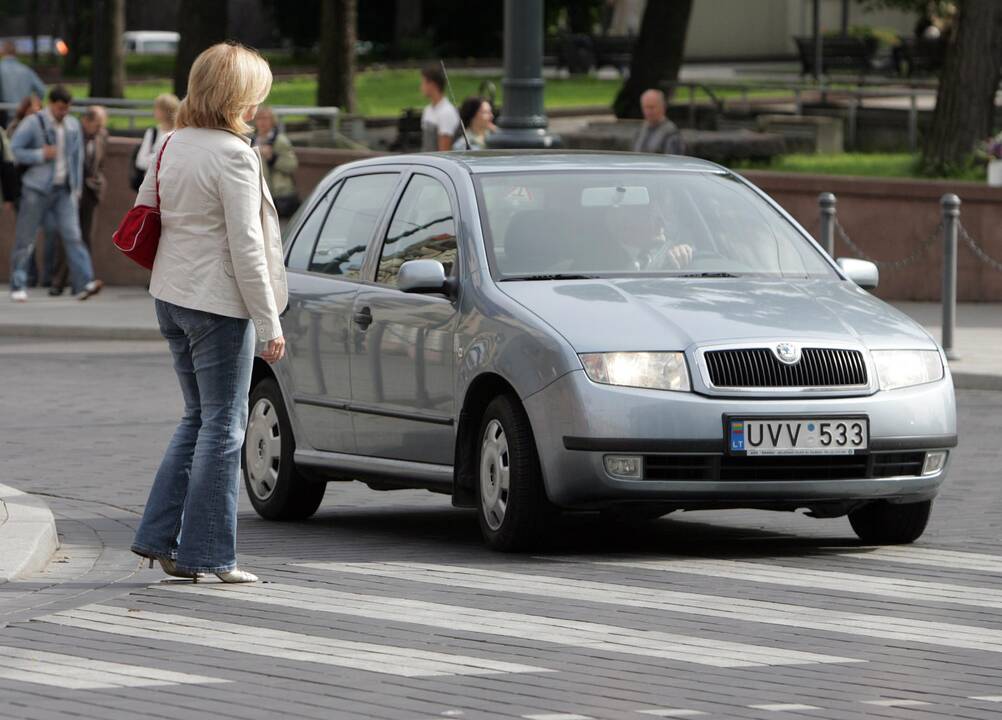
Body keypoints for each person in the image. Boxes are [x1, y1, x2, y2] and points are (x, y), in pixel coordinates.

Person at [130, 42, 287, 584]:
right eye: (254, 93)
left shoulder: (172, 140)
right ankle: (209, 555)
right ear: (237, 95)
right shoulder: (234, 155)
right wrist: (269, 322)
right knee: (225, 425)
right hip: (217, 304)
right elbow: (246, 246)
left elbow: (144, 210)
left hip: (170, 294)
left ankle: (159, 539)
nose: (258, 103)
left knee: (198, 418)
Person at [9, 85, 102, 303]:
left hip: (64, 189)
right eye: (60, 108)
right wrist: (40, 154)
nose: (64, 113)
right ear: (51, 104)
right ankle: (18, 283)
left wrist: (76, 188)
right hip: (36, 188)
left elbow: (76, 159)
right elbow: (14, 150)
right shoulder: (33, 123)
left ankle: (84, 282)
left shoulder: (71, 125)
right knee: (26, 237)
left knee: (73, 236)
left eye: (67, 109)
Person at [49, 106, 107, 295]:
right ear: (85, 121)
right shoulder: (72, 134)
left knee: (86, 237)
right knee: (65, 237)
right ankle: (58, 281)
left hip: (90, 193)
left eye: (101, 126)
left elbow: (100, 164)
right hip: (71, 191)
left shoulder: (101, 136)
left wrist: (98, 182)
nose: (99, 129)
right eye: (96, 125)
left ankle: (80, 282)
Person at [251, 106, 299, 218]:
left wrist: (272, 158)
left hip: (279, 194)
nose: (262, 122)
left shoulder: (280, 141)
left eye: (266, 118)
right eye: (259, 118)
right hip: (259, 193)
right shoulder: (252, 141)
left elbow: (292, 165)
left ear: (272, 120)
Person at [131, 93, 179, 190]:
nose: (154, 111)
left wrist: (155, 158)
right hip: (152, 186)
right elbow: (140, 161)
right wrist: (161, 158)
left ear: (166, 111)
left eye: (157, 108)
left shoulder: (179, 133)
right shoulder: (152, 132)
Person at [0, 41, 46, 128]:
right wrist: (31, 105)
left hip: (3, 114)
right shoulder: (26, 70)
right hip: (24, 115)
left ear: (2, 52)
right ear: (15, 52)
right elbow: (41, 90)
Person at [419, 65, 461, 152]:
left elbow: (444, 152)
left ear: (432, 85)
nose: (421, 87)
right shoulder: (428, 110)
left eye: (423, 82)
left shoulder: (446, 112)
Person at [632, 89, 685, 156]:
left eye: (651, 107)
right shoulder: (641, 129)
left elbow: (672, 162)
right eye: (645, 107)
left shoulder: (671, 133)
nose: (648, 111)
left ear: (663, 107)